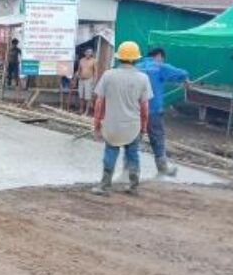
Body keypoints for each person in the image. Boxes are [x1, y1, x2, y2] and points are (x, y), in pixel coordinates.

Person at [92, 41, 153, 196]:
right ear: (135, 58)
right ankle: (133, 186)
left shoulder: (108, 75)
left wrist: (97, 122)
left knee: (110, 153)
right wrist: (144, 126)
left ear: (119, 57)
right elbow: (145, 108)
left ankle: (105, 186)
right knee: (133, 155)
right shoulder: (143, 78)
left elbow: (99, 102)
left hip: (112, 125)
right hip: (133, 125)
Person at [136, 47, 189, 176]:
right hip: (153, 110)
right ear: (159, 56)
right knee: (157, 138)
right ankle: (162, 168)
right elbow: (181, 73)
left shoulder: (137, 67)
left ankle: (128, 169)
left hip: (135, 111)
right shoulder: (159, 66)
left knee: (134, 140)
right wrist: (186, 79)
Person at [73, 48, 99, 115]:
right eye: (87, 52)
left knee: (88, 96)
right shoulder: (81, 60)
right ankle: (81, 109)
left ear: (91, 54)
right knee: (81, 95)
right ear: (84, 53)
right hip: (81, 80)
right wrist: (75, 78)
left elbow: (95, 72)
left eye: (90, 52)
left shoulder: (94, 61)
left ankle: (86, 111)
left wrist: (94, 81)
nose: (88, 53)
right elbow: (79, 70)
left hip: (89, 80)